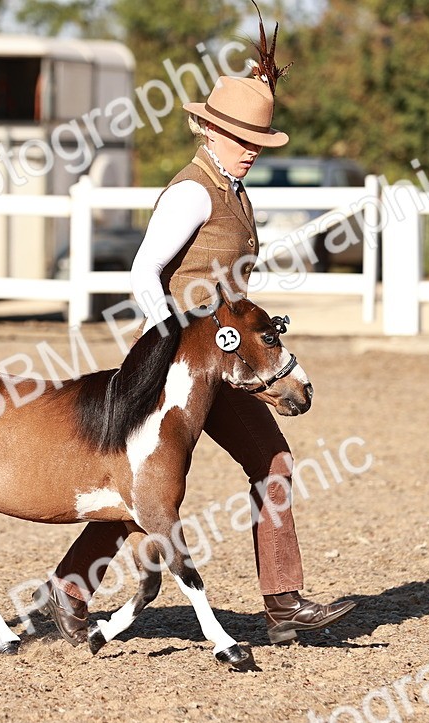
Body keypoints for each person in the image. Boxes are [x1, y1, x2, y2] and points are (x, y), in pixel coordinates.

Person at [35, 28, 354, 646]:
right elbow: (143, 271)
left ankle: (282, 603)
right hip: (177, 368)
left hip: (224, 362)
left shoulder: (233, 189)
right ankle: (70, 590)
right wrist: (165, 346)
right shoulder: (191, 192)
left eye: (258, 140)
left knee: (267, 461)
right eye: (242, 139)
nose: (251, 150)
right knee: (146, 485)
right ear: (210, 130)